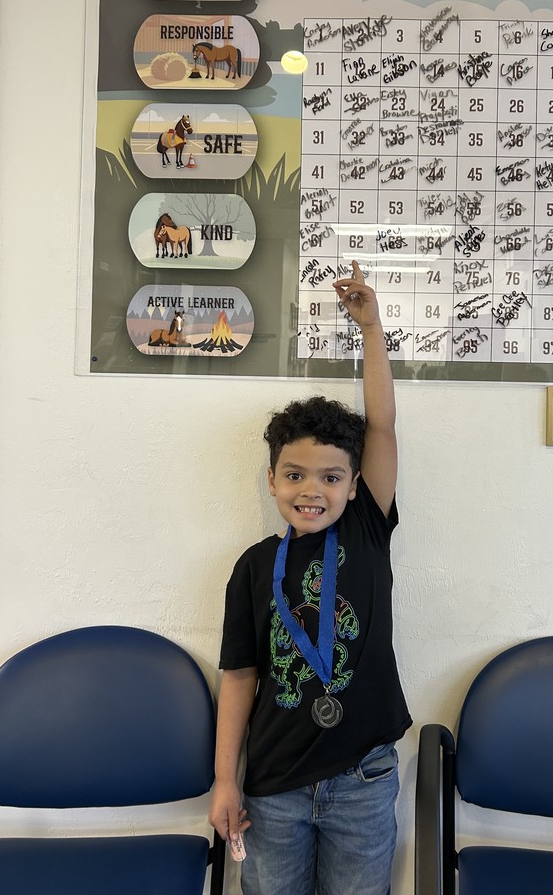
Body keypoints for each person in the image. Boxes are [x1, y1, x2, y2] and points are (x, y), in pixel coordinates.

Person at [209, 259, 412, 895]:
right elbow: (239, 676)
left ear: (355, 487)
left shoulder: (365, 530)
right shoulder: (252, 566)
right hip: (274, 787)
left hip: (363, 778)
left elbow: (380, 426)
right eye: (294, 475)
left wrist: (372, 329)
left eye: (330, 477)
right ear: (272, 481)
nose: (311, 490)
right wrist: (225, 779)